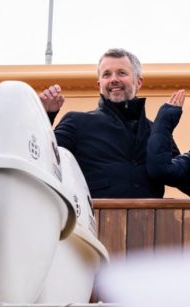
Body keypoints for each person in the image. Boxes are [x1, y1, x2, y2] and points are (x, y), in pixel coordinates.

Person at [39, 48, 177, 198]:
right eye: (107, 74)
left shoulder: (157, 132)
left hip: (151, 220)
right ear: (99, 85)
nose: (113, 79)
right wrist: (45, 115)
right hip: (95, 220)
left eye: (121, 73)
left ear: (138, 82)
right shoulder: (77, 123)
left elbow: (186, 176)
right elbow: (43, 158)